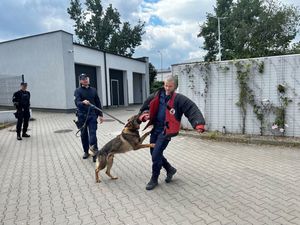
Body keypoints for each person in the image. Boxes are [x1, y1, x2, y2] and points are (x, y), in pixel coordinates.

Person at [139, 76, 205, 190]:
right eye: (165, 85)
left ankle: (154, 179)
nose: (167, 88)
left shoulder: (179, 99)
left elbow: (191, 108)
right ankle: (170, 169)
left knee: (156, 154)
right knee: (154, 153)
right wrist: (144, 115)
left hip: (166, 131)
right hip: (155, 129)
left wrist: (198, 123)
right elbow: (145, 107)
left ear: (175, 86)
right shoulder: (156, 95)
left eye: (170, 86)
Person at [74, 73, 104, 162]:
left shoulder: (93, 90)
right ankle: (86, 151)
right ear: (80, 81)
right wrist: (83, 102)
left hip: (92, 115)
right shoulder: (77, 91)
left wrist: (101, 115)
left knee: (93, 135)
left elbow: (98, 103)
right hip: (82, 116)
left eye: (86, 78)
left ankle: (94, 152)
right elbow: (77, 102)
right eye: (83, 79)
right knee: (84, 135)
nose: (85, 80)